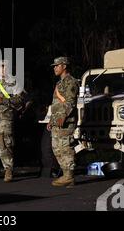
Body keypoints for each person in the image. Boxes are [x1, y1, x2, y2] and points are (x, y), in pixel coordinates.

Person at [47, 57, 79, 187]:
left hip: (66, 120)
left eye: (57, 65)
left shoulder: (71, 82)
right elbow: (57, 103)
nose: (55, 68)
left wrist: (64, 116)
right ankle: (66, 174)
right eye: (54, 66)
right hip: (57, 120)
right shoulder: (59, 83)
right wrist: (51, 119)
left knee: (65, 147)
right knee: (57, 148)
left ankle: (69, 176)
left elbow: (70, 101)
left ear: (64, 66)